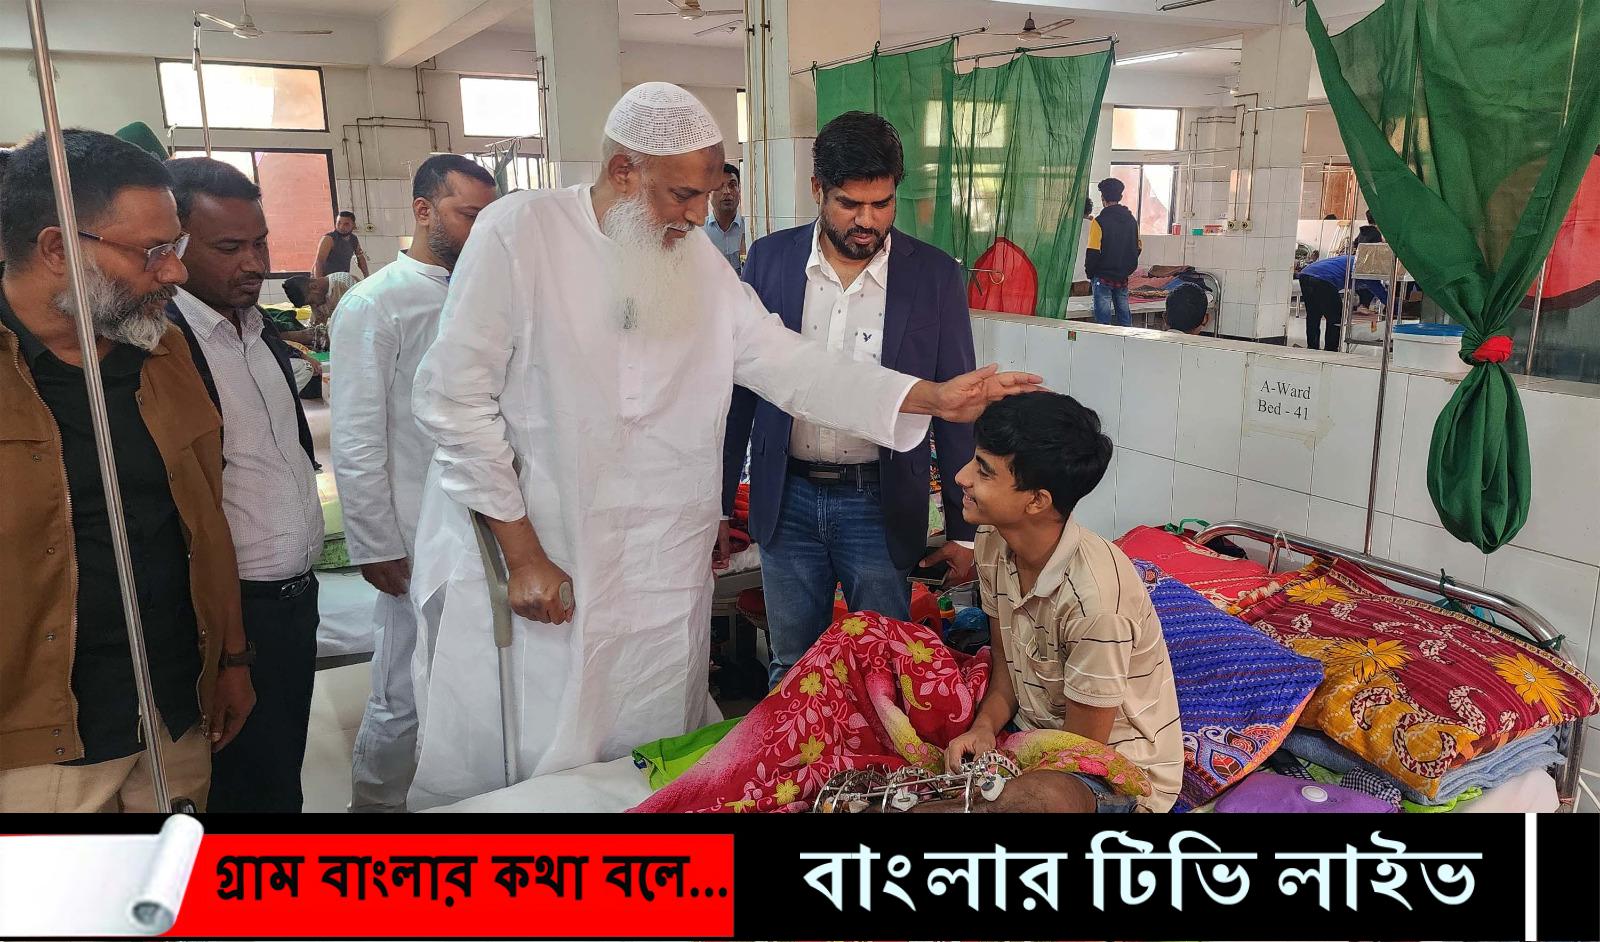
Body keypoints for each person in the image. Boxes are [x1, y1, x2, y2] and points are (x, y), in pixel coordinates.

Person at [405, 82, 1043, 809]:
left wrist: (929, 397)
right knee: (541, 757)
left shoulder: (698, 264)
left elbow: (789, 365)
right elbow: (454, 400)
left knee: (646, 750)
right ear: (623, 171)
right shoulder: (522, 233)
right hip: (553, 551)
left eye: (705, 196)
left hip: (658, 570)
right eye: (682, 194)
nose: (696, 215)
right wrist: (523, 554)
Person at [0, 130, 254, 812]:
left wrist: (231, 660)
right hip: (40, 741)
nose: (175, 273)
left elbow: (206, 520)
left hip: (173, 708)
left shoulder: (162, 351)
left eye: (176, 248)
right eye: (153, 252)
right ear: (57, 248)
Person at [723, 110, 979, 686]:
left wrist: (964, 529)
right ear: (818, 188)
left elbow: (953, 408)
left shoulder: (933, 276)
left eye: (882, 204)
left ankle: (872, 750)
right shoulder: (770, 260)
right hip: (786, 496)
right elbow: (741, 390)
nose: (867, 221)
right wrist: (720, 501)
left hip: (879, 500)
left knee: (883, 668)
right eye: (849, 204)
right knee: (793, 664)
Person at [332, 154, 499, 813]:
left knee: (470, 680)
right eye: (469, 215)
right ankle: (375, 808)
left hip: (481, 524)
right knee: (403, 685)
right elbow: (355, 436)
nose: (481, 231)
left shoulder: (488, 294)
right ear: (424, 211)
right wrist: (375, 542)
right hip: (409, 528)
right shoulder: (377, 304)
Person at [164, 157, 324, 812]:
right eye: (229, 248)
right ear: (174, 247)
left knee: (281, 770)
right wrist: (230, 654)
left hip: (293, 600)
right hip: (228, 613)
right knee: (237, 788)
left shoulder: (259, 332)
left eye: (260, 242)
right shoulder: (165, 345)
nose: (255, 263)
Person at [941, 392, 1182, 813]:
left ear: (1037, 500)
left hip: (1107, 768)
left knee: (1029, 802)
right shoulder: (992, 540)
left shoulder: (1095, 605)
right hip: (1031, 735)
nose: (962, 477)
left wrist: (1000, 781)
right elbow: (1005, 665)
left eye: (983, 470)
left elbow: (1081, 752)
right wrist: (983, 728)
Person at [1297, 251, 1387, 351]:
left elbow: (1369, 288)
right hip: (1323, 279)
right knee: (1335, 316)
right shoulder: (1367, 267)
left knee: (1313, 314)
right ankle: (1331, 349)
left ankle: (1312, 347)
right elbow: (1379, 291)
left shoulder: (1358, 259)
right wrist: (1394, 306)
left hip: (1305, 274)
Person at [1085, 178, 1141, 327]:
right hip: (1122, 277)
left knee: (1103, 324)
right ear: (1120, 197)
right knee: (1124, 319)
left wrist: (1090, 274)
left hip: (1102, 277)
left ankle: (1105, 342)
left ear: (1102, 198)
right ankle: (1126, 340)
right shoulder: (1132, 221)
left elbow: (1093, 252)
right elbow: (1138, 247)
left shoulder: (1099, 222)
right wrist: (1125, 266)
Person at [281, 269, 356, 330]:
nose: (315, 306)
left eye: (312, 302)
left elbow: (354, 323)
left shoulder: (345, 285)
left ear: (314, 287)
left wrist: (329, 324)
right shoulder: (319, 298)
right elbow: (313, 327)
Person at [704, 162, 744, 272]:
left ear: (739, 191)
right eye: (719, 186)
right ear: (709, 193)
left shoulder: (750, 230)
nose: (727, 192)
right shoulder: (698, 232)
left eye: (732, 185)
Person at [315, 210, 369, 279]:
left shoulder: (353, 239)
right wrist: (319, 282)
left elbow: (360, 257)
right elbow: (319, 262)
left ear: (353, 225)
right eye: (339, 223)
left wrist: (367, 276)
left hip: (342, 278)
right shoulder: (329, 239)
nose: (341, 227)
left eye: (346, 224)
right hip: (326, 279)